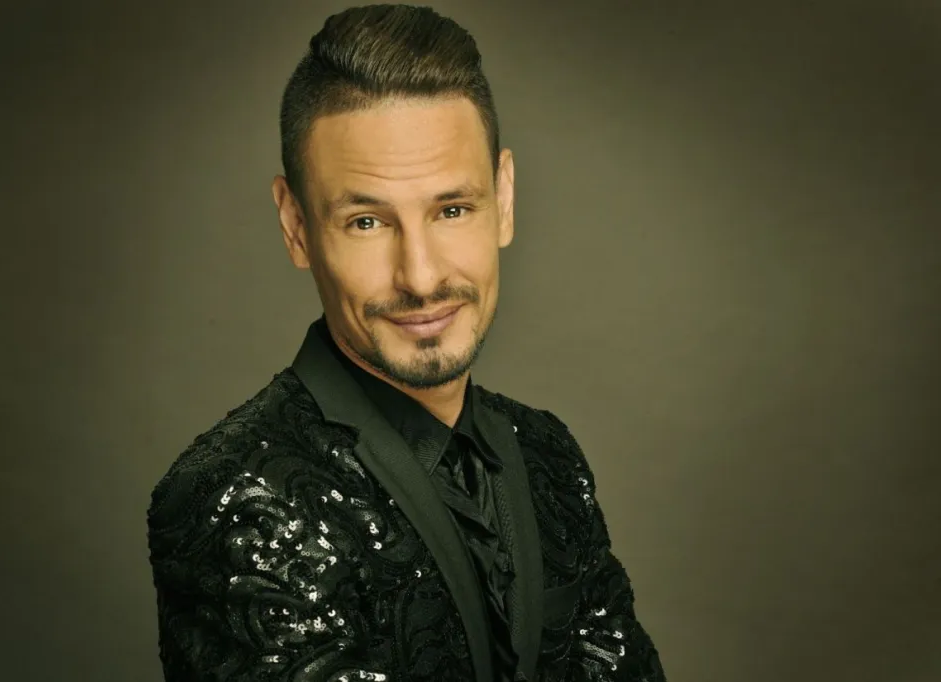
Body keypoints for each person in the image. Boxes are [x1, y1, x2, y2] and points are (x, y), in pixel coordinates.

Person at [146, 5, 667, 681]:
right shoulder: (234, 496)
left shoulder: (549, 455)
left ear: (504, 200)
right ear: (297, 226)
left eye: (452, 210)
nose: (420, 278)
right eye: (367, 221)